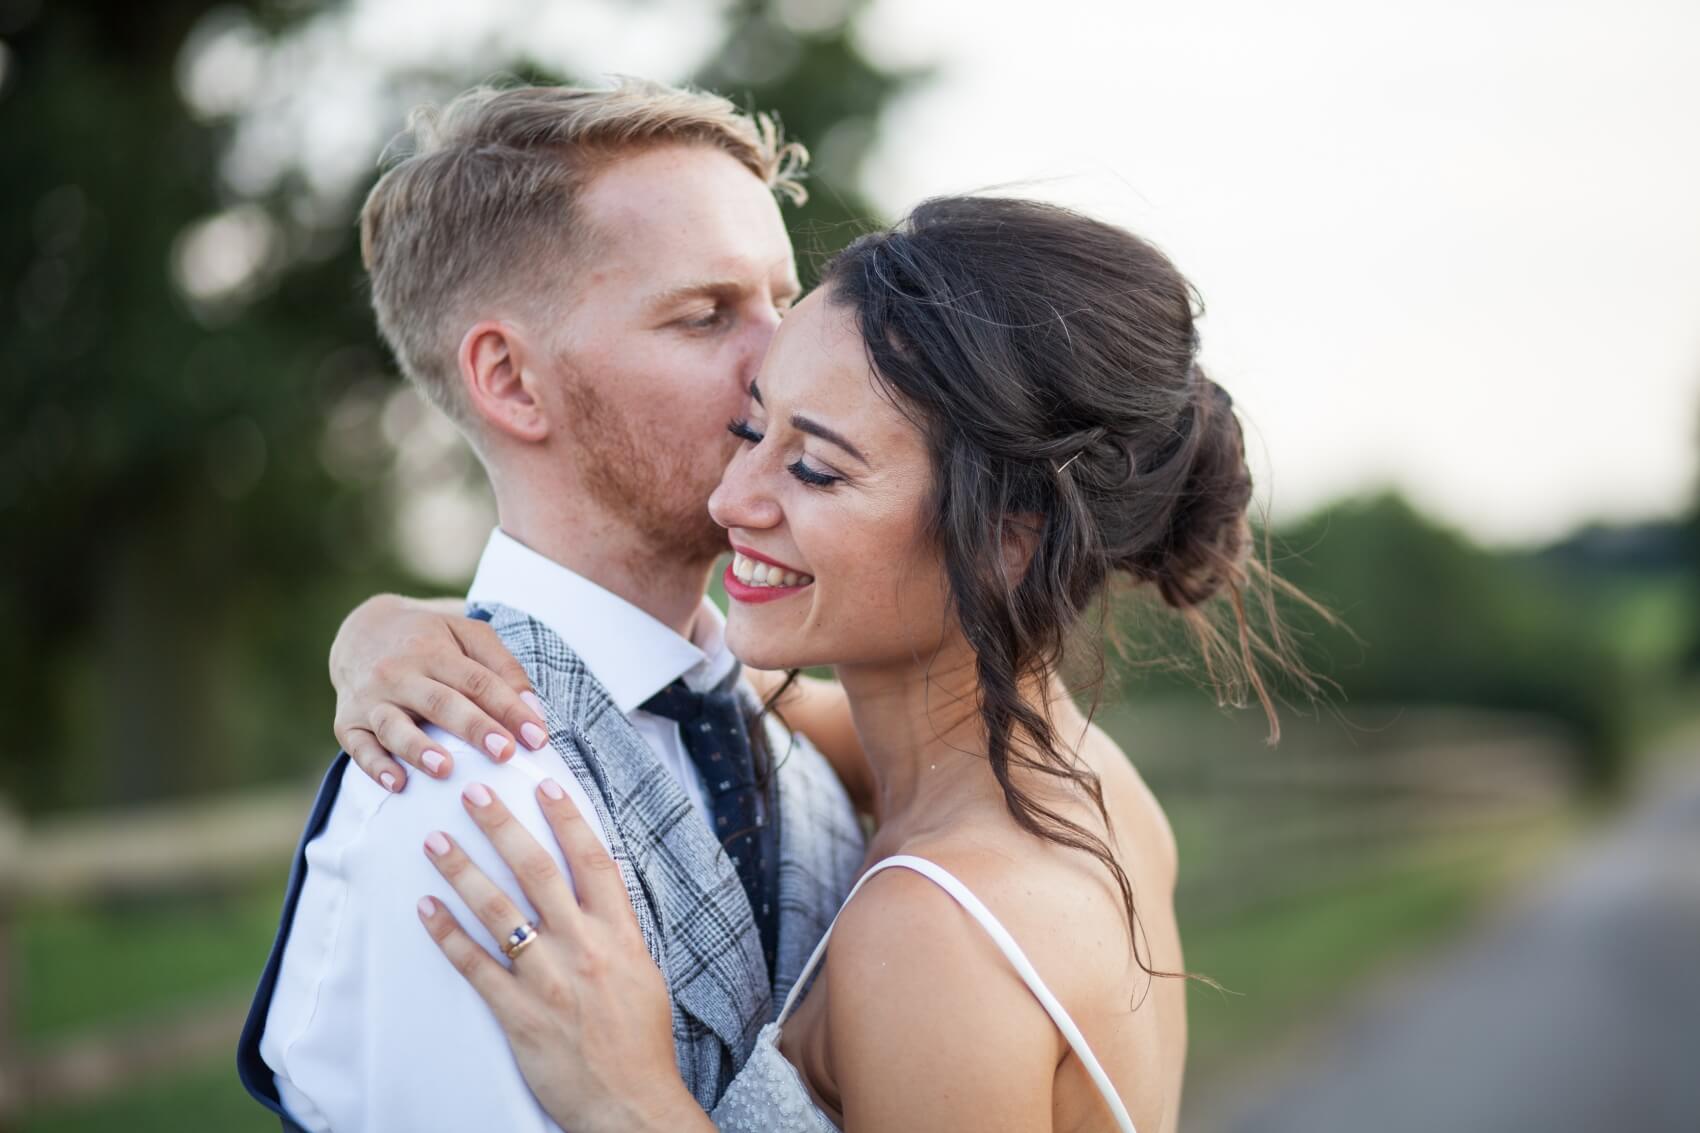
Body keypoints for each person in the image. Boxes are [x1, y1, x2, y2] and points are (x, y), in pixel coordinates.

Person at [334, 194, 1309, 1131]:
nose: (732, 499)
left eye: (813, 467)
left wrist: (630, 1100)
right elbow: (691, 681)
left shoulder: (931, 926)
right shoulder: (1077, 775)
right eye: (754, 427)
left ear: (1006, 539)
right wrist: (392, 626)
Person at [236, 79, 870, 1133]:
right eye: (707, 314)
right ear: (512, 382)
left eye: (782, 301)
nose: (786, 361)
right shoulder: (459, 803)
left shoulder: (801, 738)